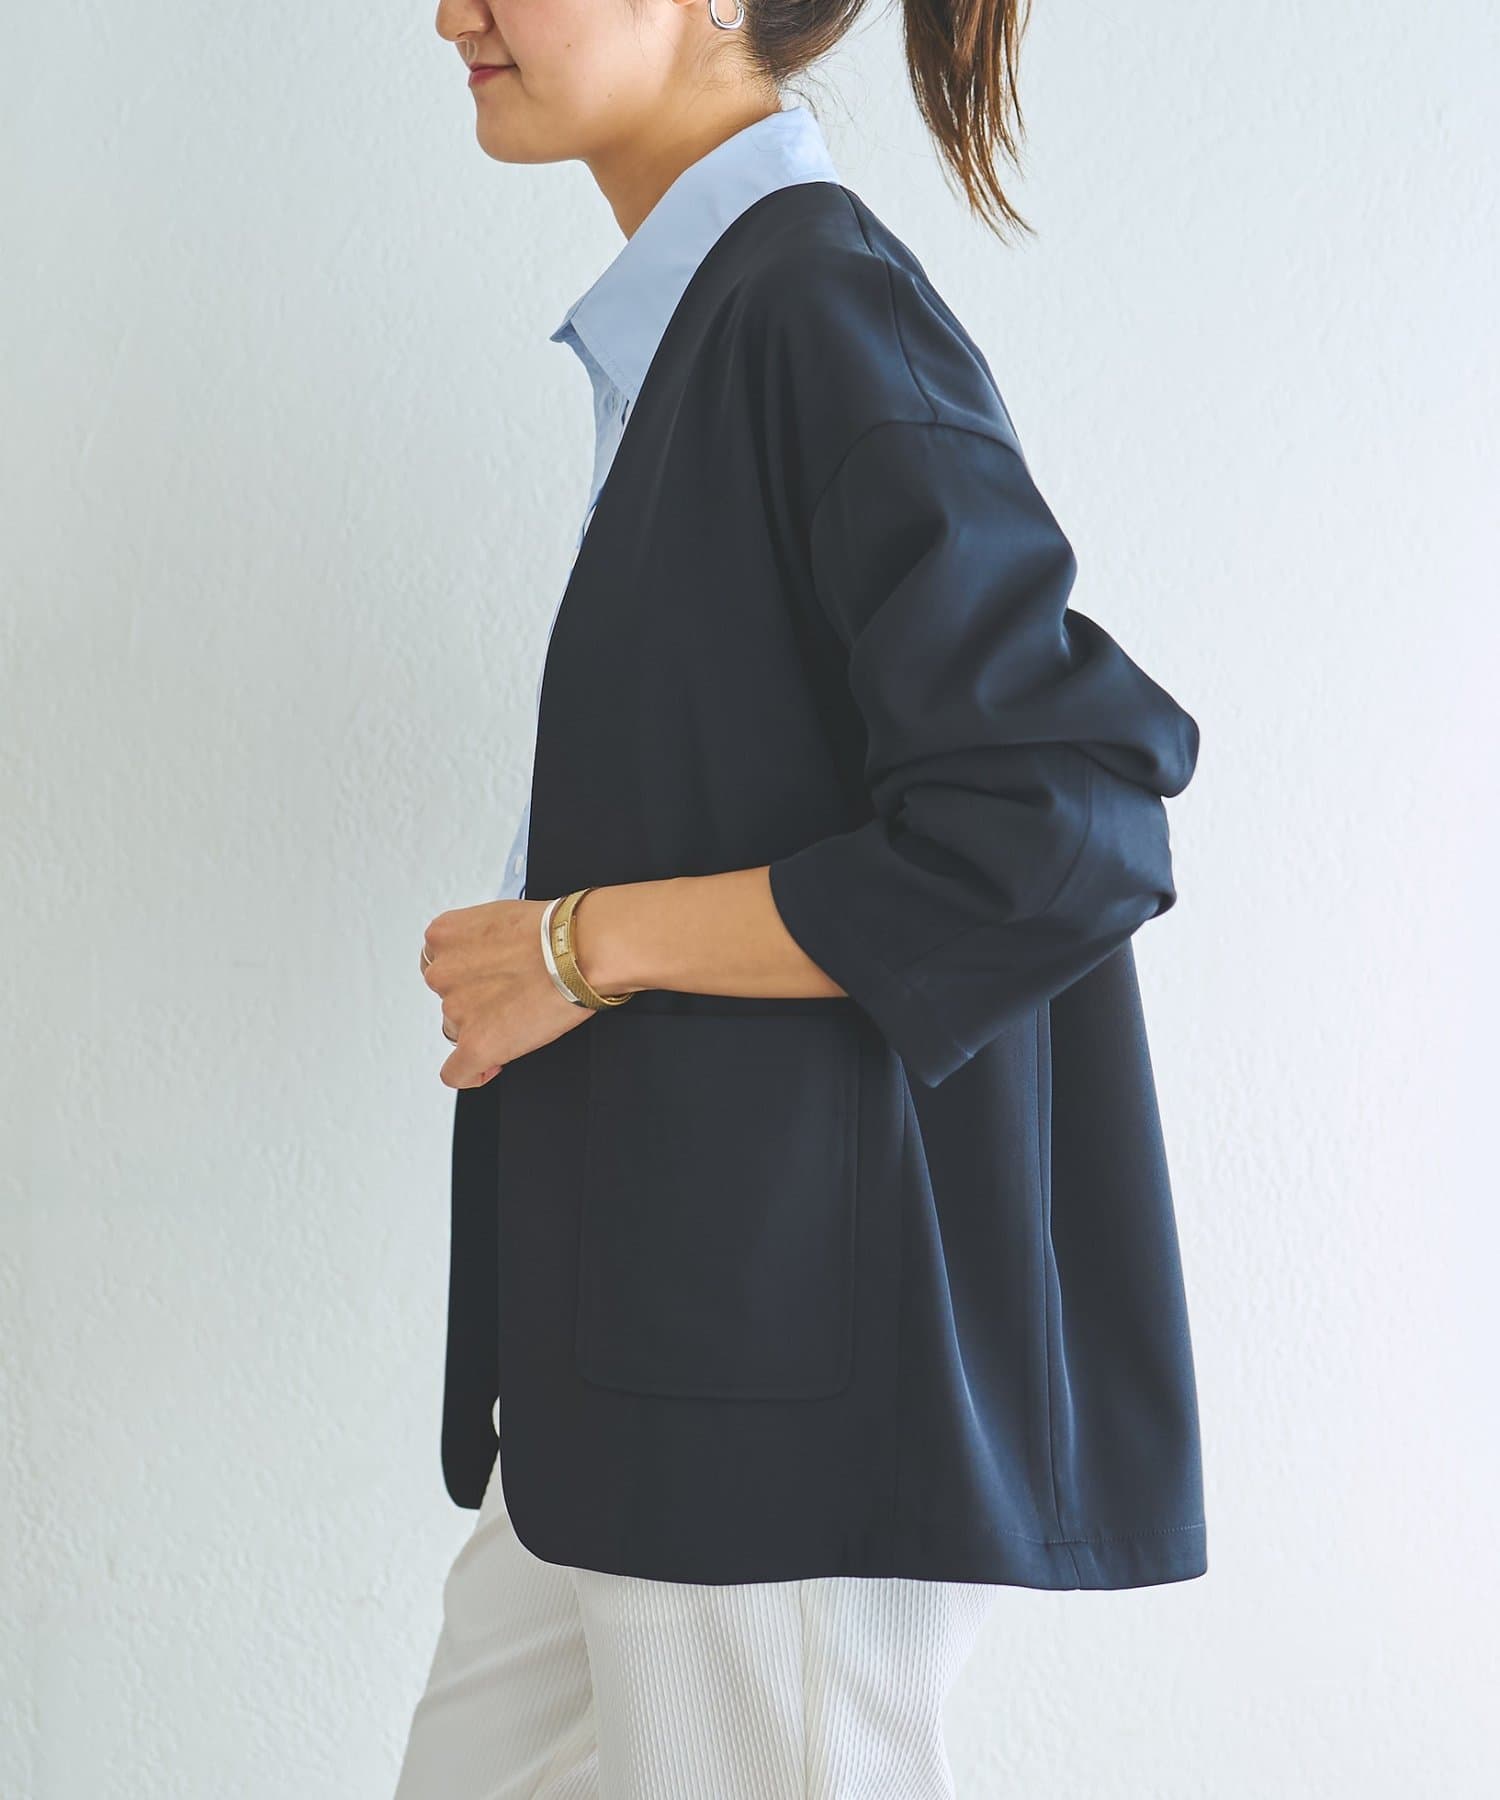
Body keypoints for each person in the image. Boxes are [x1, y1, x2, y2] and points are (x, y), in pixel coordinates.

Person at [401, 0, 1207, 1790]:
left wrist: (578, 947)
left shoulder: (812, 311)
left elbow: (1056, 821)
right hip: (641, 1380)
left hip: (765, 1415)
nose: (452, 9)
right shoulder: (727, 320)